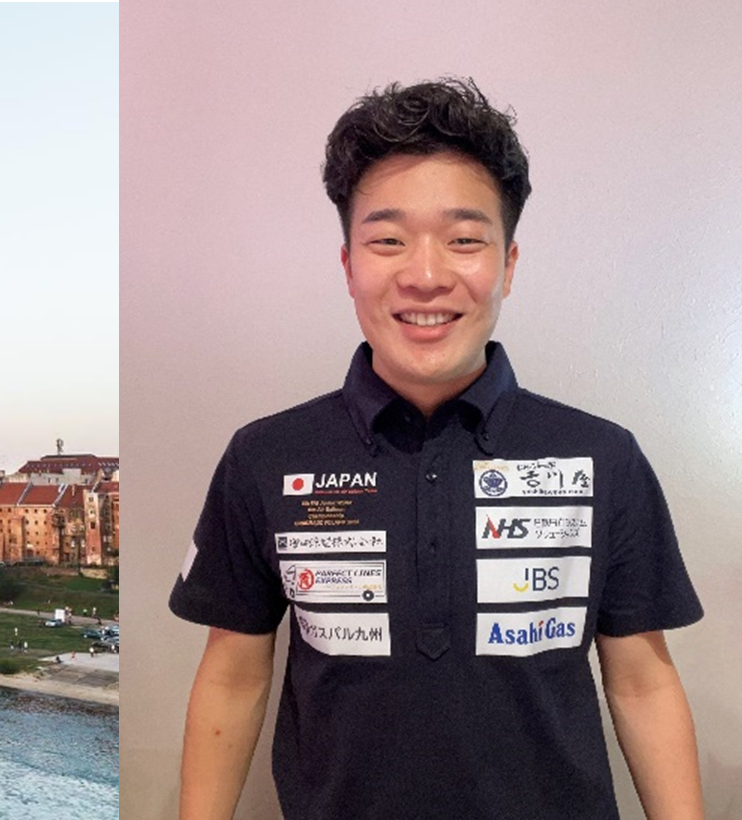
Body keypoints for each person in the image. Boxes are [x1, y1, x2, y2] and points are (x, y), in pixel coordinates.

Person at [169, 77, 704, 820]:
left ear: (508, 265)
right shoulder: (263, 457)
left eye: (463, 239)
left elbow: (641, 683)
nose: (424, 275)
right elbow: (231, 675)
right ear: (348, 265)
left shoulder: (601, 456)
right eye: (386, 240)